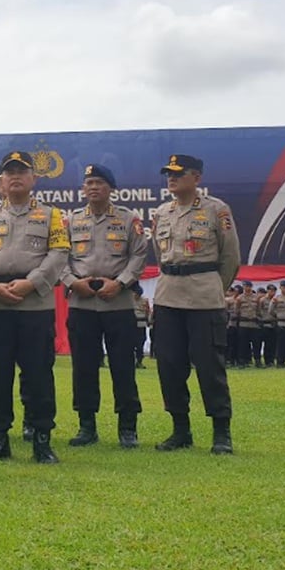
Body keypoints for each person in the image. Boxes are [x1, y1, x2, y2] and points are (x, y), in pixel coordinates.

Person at [0, 150, 69, 464]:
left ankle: (41, 439)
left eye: (21, 172)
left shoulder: (51, 215)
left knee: (38, 374)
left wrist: (32, 282)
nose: (15, 177)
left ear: (33, 179)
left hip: (35, 304)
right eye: (9, 172)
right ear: (0, 181)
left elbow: (59, 253)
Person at [150, 154, 240, 455]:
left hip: (204, 297)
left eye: (179, 173)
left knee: (209, 366)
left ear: (197, 178)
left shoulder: (217, 210)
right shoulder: (162, 212)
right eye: (169, 174)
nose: (172, 178)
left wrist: (213, 287)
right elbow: (159, 254)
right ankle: (180, 430)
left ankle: (221, 432)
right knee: (169, 366)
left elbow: (230, 257)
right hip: (168, 296)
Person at [60, 163, 147, 448]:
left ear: (110, 188)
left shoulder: (128, 219)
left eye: (99, 182)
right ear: (83, 189)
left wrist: (120, 283)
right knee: (83, 367)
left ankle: (128, 428)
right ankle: (86, 426)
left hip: (118, 302)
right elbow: (59, 257)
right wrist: (73, 282)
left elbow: (138, 256)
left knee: (123, 366)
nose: (93, 187)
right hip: (81, 301)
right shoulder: (71, 221)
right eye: (89, 183)